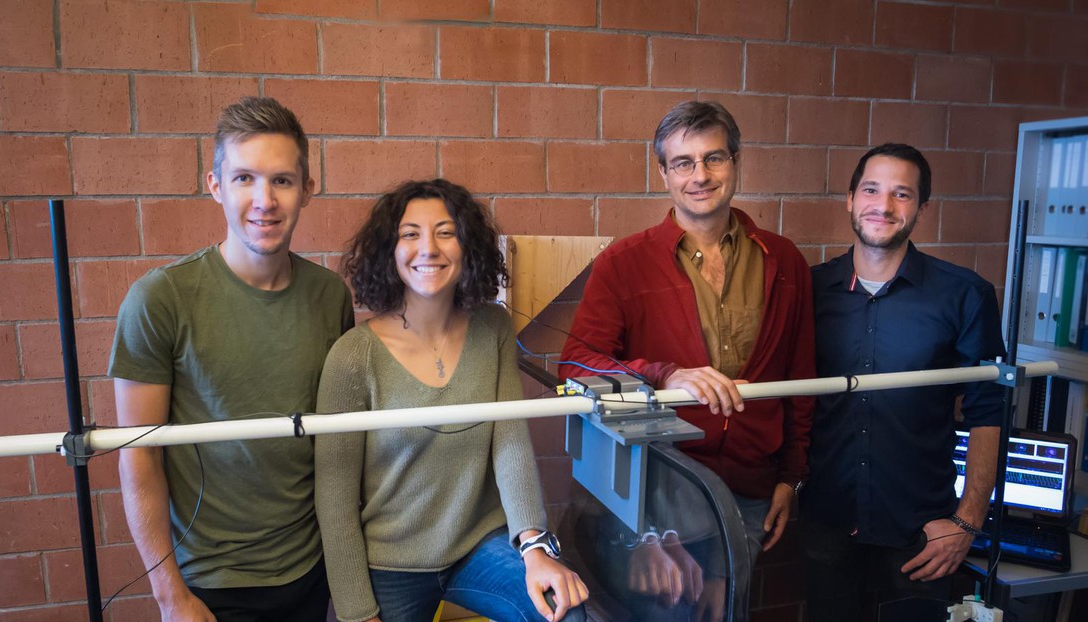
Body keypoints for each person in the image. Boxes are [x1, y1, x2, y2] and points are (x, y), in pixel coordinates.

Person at [559, 100, 816, 617]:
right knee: (674, 612)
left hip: (748, 493)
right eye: (683, 163)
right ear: (663, 173)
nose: (700, 176)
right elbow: (576, 364)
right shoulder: (623, 262)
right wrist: (666, 374)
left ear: (737, 162)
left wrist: (793, 477)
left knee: (723, 613)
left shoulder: (783, 260)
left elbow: (800, 376)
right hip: (659, 491)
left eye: (714, 159)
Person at [110, 96, 354, 621]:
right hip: (211, 584)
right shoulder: (160, 299)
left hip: (311, 572)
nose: (264, 200)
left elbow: (336, 442)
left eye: (282, 180)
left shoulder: (331, 296)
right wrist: (170, 597)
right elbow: (138, 455)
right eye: (244, 178)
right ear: (216, 185)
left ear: (308, 189)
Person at [315, 179, 588, 622]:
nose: (429, 248)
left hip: (478, 544)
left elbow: (510, 443)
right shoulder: (353, 356)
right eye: (410, 234)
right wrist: (356, 611)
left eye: (446, 232)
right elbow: (334, 497)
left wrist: (536, 549)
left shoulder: (493, 328)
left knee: (564, 613)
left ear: (468, 246)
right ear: (389, 249)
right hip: (392, 561)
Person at [801, 143, 1005, 621]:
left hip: (921, 530)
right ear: (849, 199)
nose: (884, 206)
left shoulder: (965, 295)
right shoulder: (808, 290)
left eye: (902, 194)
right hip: (826, 523)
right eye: (871, 190)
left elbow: (988, 411)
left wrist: (968, 521)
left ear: (922, 209)